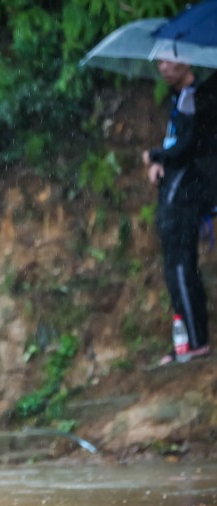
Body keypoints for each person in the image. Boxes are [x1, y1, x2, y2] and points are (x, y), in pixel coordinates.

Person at [142, 61, 211, 365]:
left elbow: (190, 145)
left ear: (188, 60)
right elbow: (177, 143)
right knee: (175, 266)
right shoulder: (179, 98)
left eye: (171, 60)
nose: (164, 67)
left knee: (181, 264)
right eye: (160, 61)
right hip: (177, 185)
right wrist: (161, 161)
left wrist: (156, 155)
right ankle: (186, 342)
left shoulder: (199, 97)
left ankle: (195, 343)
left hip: (188, 191)